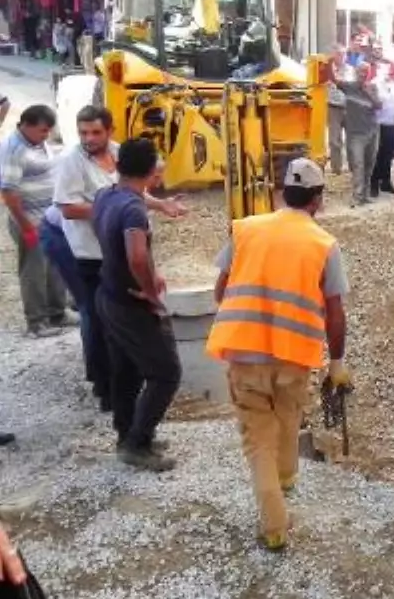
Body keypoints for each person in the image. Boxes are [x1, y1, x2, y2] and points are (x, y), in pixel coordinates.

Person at [207, 158, 350, 551]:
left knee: (258, 440)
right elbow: (335, 313)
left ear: (282, 193)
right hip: (294, 356)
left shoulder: (246, 230)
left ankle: (274, 527)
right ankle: (286, 481)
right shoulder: (324, 245)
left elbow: (221, 291)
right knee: (289, 417)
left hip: (246, 352)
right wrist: (337, 363)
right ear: (318, 199)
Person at [48, 107, 186, 410]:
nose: (88, 138)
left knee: (116, 323)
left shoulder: (120, 155)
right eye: (83, 132)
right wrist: (115, 210)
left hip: (113, 249)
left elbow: (132, 189)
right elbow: (68, 208)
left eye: (95, 132)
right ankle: (103, 384)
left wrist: (159, 205)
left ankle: (123, 395)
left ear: (109, 131)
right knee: (95, 318)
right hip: (88, 251)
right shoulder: (72, 163)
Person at [92, 138, 180, 472]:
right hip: (131, 304)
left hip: (108, 295)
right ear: (152, 171)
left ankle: (127, 433)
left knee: (125, 371)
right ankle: (137, 444)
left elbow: (136, 198)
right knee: (166, 373)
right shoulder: (132, 210)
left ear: (118, 165)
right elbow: (138, 256)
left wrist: (162, 204)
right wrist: (151, 292)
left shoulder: (107, 195)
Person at [0, 105, 73, 337]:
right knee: (34, 270)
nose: (46, 136)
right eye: (42, 131)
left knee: (55, 265)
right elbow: (9, 194)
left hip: (49, 218)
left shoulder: (37, 142)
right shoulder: (13, 150)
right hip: (29, 221)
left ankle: (57, 312)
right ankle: (36, 323)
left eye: (48, 131)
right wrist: (26, 226)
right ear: (26, 125)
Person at [335, 61, 381, 206]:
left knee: (369, 164)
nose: (363, 74)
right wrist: (330, 62)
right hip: (355, 133)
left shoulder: (372, 87)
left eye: (365, 72)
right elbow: (333, 80)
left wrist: (366, 91)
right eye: (360, 71)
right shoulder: (348, 86)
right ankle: (357, 196)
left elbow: (378, 105)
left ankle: (365, 196)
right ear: (355, 72)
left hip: (372, 131)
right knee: (358, 164)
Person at [370, 62, 394, 197]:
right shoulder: (374, 84)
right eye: (386, 71)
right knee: (377, 154)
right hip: (378, 123)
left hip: (391, 123)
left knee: (388, 154)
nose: (389, 74)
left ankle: (385, 181)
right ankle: (374, 182)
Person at [326, 45, 351, 176]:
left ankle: (353, 167)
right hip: (333, 107)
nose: (342, 57)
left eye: (343, 54)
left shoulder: (350, 70)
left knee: (352, 139)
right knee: (335, 141)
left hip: (349, 108)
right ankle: (337, 169)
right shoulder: (326, 71)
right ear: (333, 56)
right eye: (339, 54)